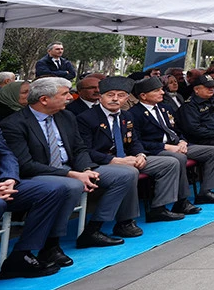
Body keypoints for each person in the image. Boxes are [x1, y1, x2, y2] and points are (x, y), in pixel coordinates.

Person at [0, 77, 139, 248]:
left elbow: (79, 149)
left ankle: (93, 229)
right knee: (72, 185)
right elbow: (26, 165)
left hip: (73, 168)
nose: (70, 97)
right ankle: (51, 245)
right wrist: (71, 174)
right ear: (44, 99)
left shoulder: (66, 116)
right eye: (65, 94)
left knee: (125, 174)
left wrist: (86, 169)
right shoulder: (14, 123)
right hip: (41, 173)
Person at [76, 77, 189, 223]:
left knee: (169, 163)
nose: (115, 99)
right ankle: (126, 221)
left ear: (127, 98)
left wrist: (140, 154)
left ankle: (159, 209)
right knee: (130, 172)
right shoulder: (86, 118)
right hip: (102, 161)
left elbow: (134, 141)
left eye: (121, 95)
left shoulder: (126, 115)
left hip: (127, 157)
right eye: (110, 95)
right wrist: (114, 160)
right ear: (100, 97)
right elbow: (85, 150)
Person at [128, 76, 214, 205]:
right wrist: (166, 147)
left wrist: (182, 141)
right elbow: (137, 141)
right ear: (143, 95)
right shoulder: (134, 113)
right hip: (157, 149)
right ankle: (182, 201)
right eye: (157, 90)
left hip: (177, 144)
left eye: (161, 89)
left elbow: (177, 129)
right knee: (179, 158)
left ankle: (206, 192)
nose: (162, 93)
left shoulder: (164, 108)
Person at [0, 123, 79, 279]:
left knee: (51, 190)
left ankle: (21, 255)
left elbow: (6, 154)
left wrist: (9, 178)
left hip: (3, 185)